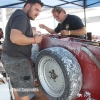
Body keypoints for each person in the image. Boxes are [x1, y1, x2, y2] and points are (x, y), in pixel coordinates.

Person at [1, 0, 43, 100]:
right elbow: (15, 38)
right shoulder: (21, 17)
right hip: (18, 61)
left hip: (9, 59)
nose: (37, 13)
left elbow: (20, 35)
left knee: (17, 87)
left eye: (39, 11)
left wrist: (33, 34)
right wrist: (34, 40)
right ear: (28, 6)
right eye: (36, 9)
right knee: (24, 91)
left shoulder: (18, 15)